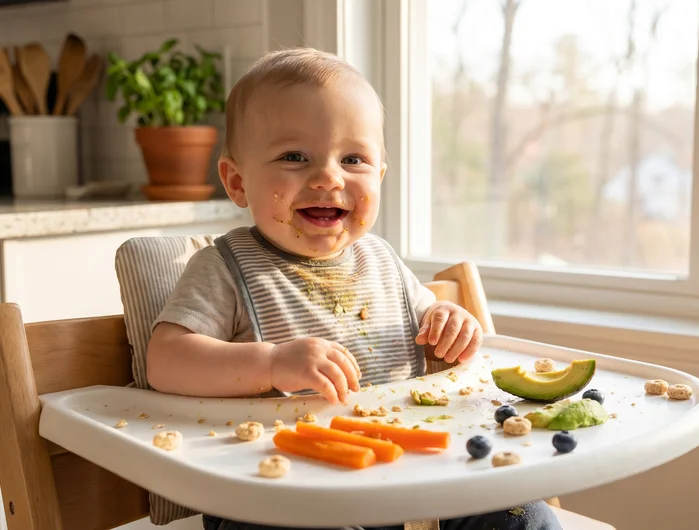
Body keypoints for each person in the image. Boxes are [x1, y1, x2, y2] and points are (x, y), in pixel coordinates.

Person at [146, 47, 562, 530]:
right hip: (277, 486)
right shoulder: (225, 267)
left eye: (353, 159)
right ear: (237, 181)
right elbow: (166, 360)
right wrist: (272, 363)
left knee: (526, 517)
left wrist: (453, 327)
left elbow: (438, 334)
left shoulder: (383, 262)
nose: (327, 176)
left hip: (411, 477)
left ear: (380, 175)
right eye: (294, 156)